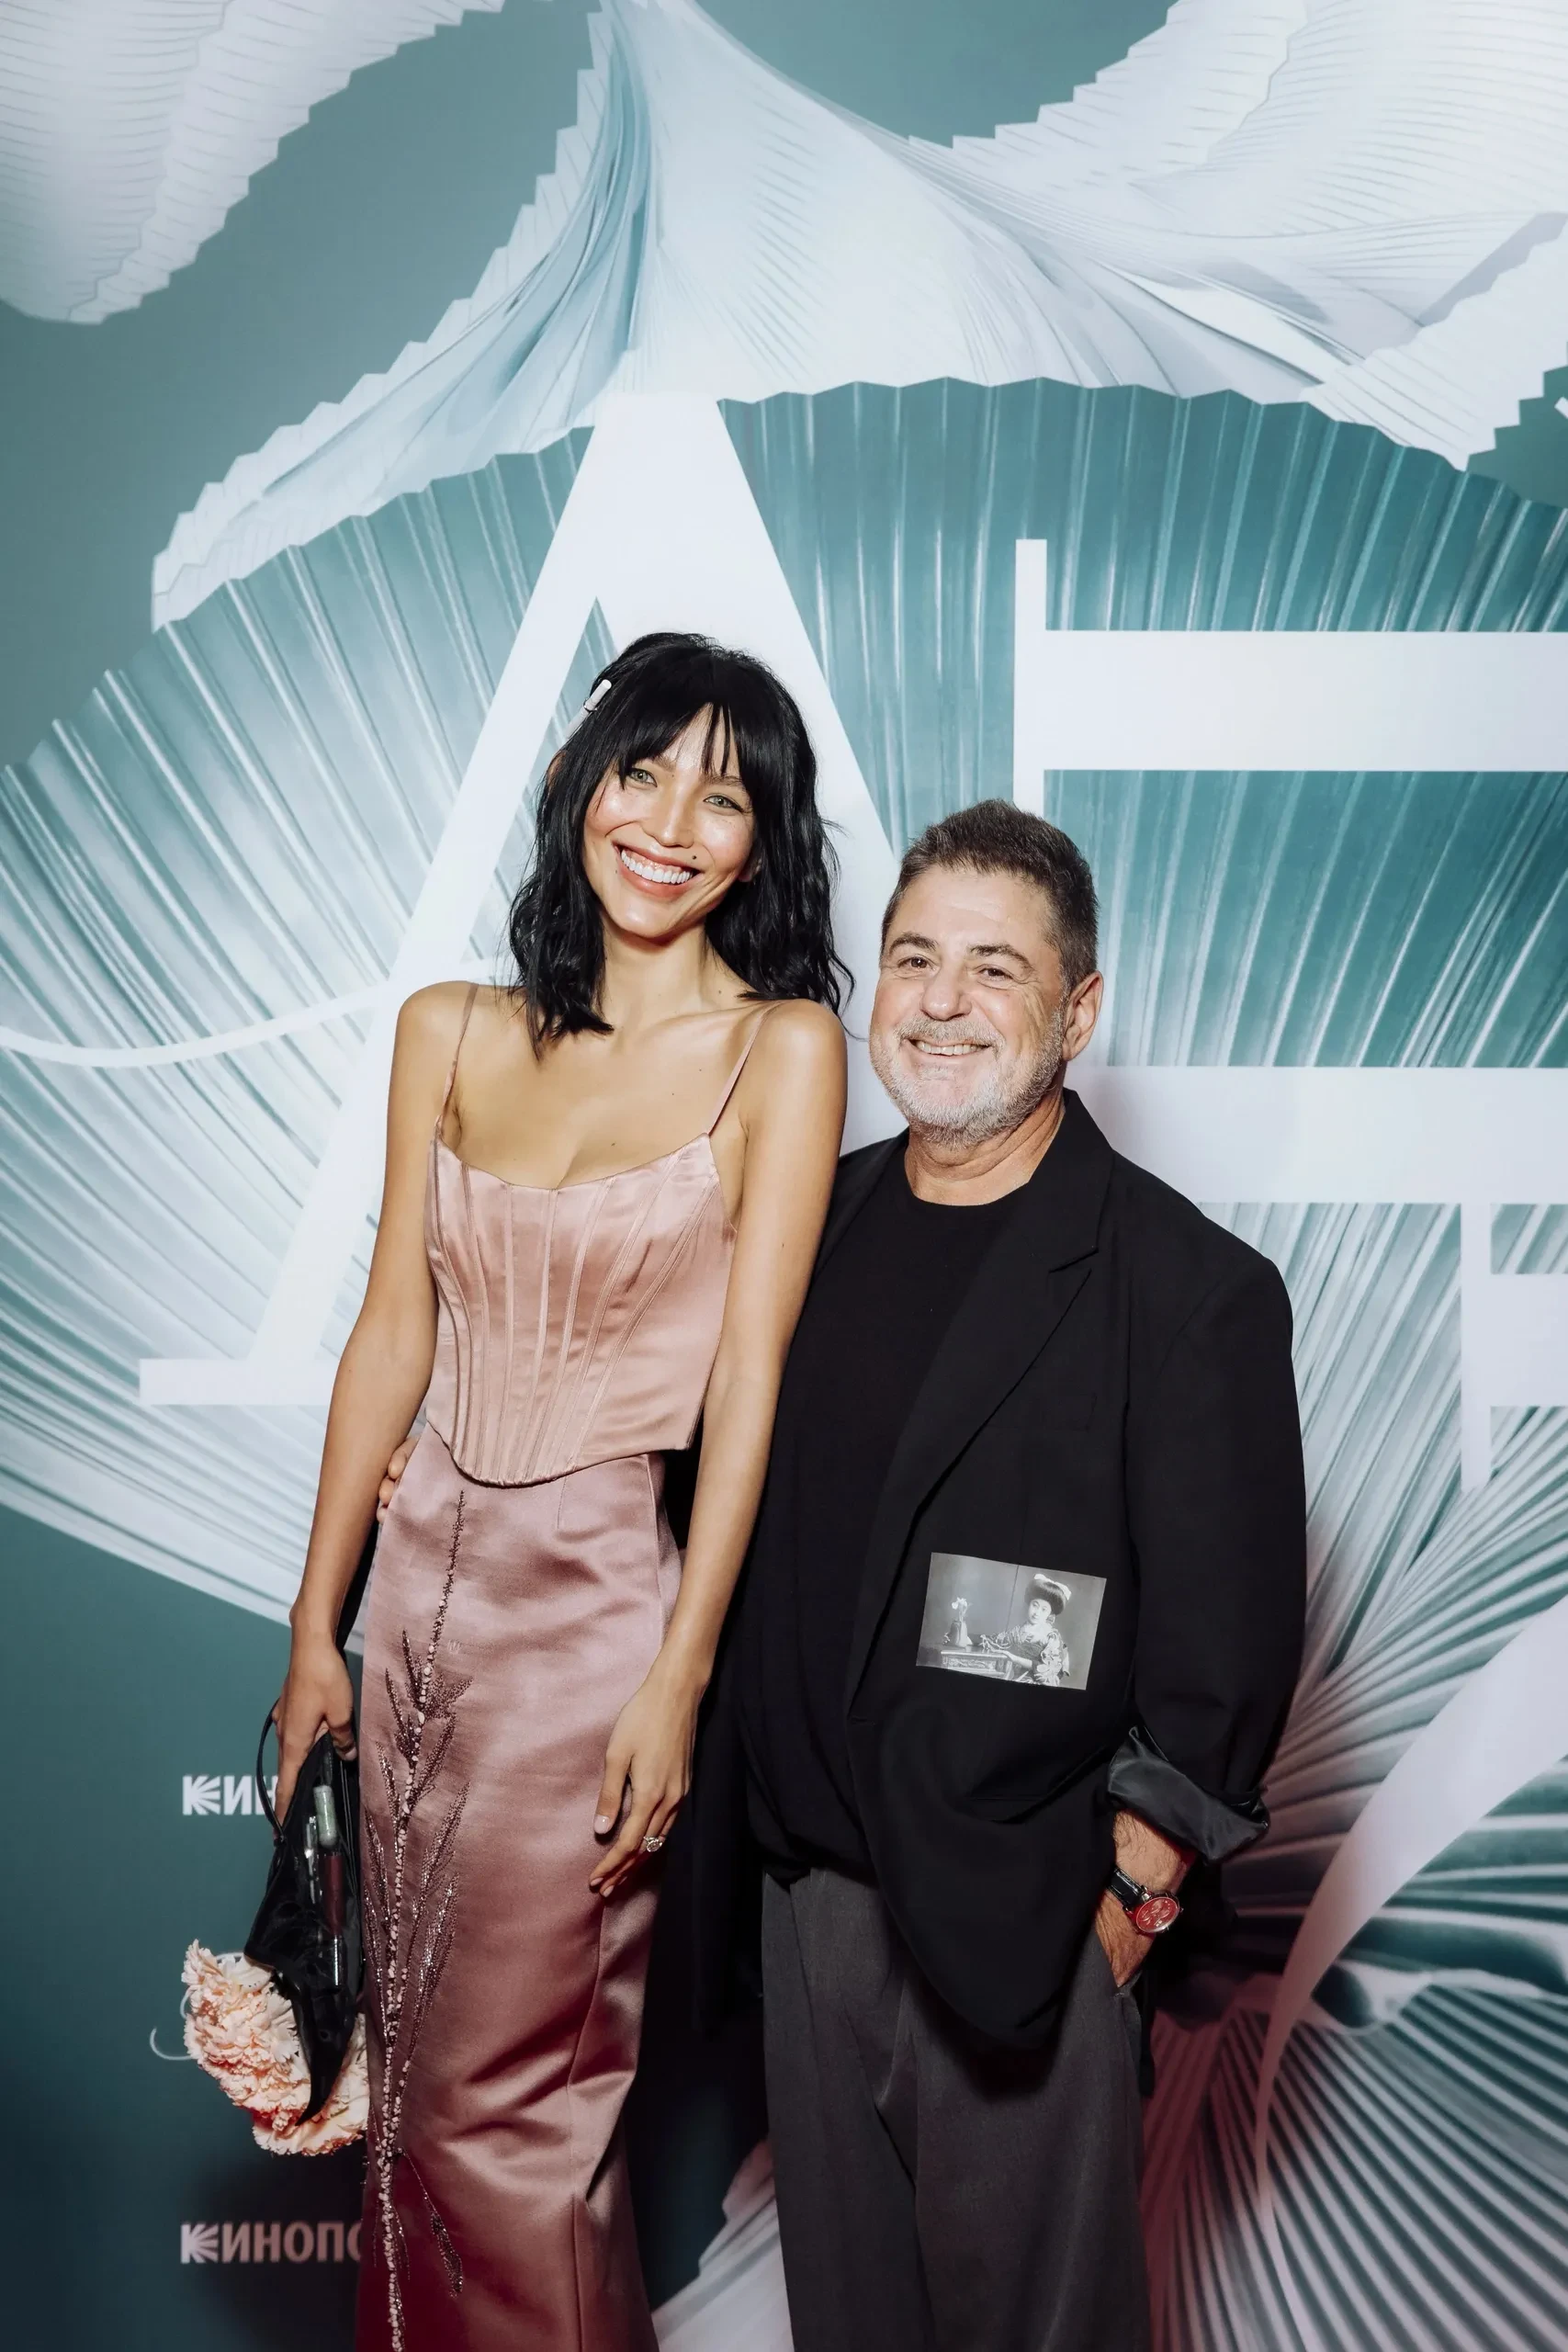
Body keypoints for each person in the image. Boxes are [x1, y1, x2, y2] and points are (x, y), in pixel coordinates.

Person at [271, 632, 847, 2352]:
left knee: (510, 2124)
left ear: (762, 843)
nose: (668, 823)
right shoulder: (444, 1030)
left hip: (596, 1630)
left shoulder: (782, 1050)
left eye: (723, 798)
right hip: (412, 1623)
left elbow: (748, 1385)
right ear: (573, 785)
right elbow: (391, 1334)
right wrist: (314, 1628)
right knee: (401, 2115)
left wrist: (678, 1675)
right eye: (642, 771)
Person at [694, 798, 1306, 2352]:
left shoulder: (1187, 1292)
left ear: (1076, 1011)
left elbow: (1226, 1645)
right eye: (913, 959)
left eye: (993, 968)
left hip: (1024, 1923)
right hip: (802, 1913)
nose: (942, 1002)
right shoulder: (800, 1229)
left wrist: (1130, 1900)